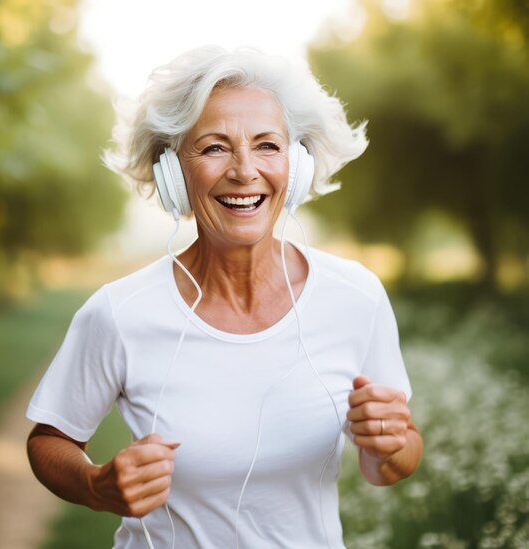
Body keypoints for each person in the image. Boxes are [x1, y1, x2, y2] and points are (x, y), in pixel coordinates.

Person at [26, 45, 423, 548]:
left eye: (266, 146)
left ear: (295, 166)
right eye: (214, 147)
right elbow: (50, 440)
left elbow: (392, 465)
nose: (243, 170)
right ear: (174, 174)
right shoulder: (118, 313)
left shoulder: (355, 297)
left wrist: (390, 444)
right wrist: (95, 486)